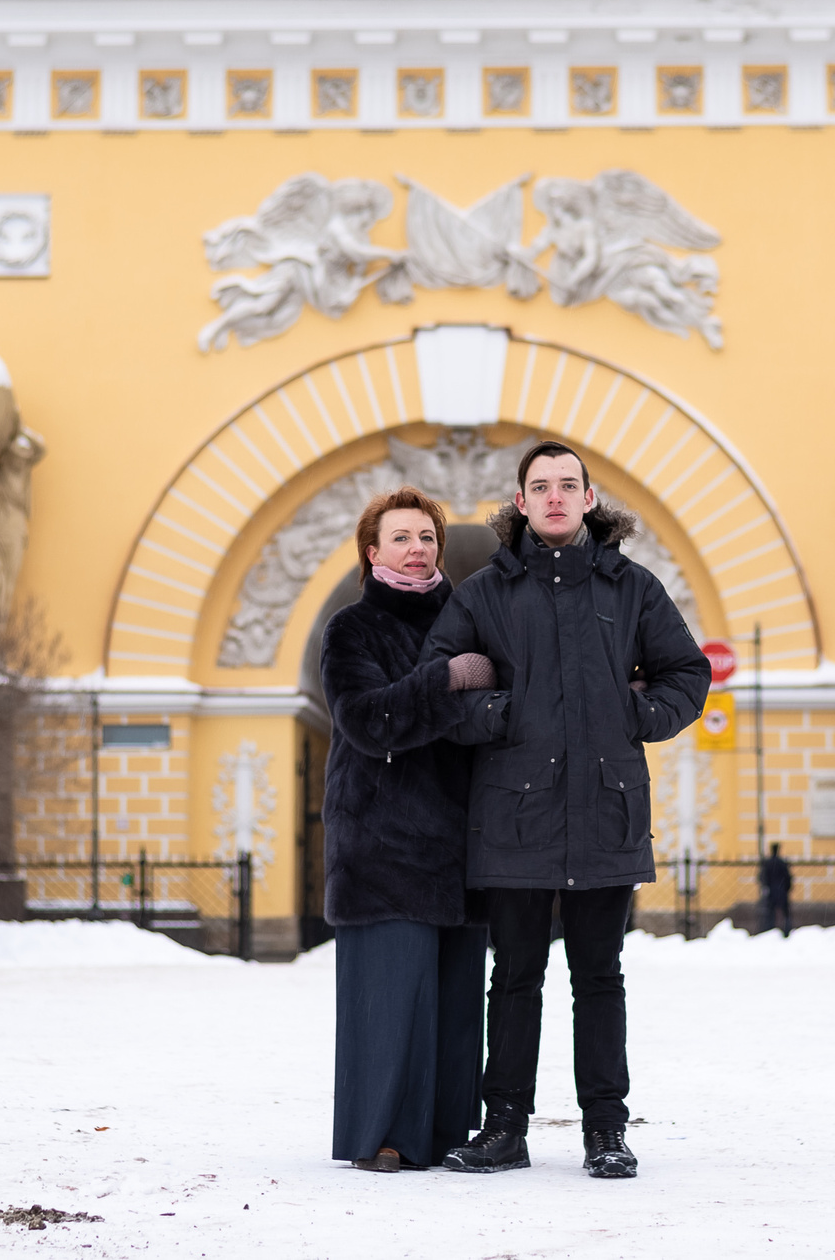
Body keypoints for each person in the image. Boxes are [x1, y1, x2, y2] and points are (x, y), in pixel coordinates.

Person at [424, 440, 709, 1181]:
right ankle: (505, 1128)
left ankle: (605, 1130)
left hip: (605, 807)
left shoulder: (632, 588)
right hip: (514, 812)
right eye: (540, 486)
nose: (554, 496)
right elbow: (438, 685)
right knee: (514, 976)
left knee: (599, 976)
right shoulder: (483, 593)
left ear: (588, 498)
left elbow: (688, 671)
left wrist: (633, 713)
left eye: (567, 485)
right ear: (520, 503)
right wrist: (502, 712)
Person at [320, 487, 509, 1173]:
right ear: (373, 552)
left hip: (460, 847)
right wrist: (447, 681)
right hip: (382, 846)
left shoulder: (468, 622)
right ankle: (385, 1134)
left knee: (457, 1006)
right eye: (401, 536)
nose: (418, 547)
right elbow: (370, 721)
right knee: (392, 998)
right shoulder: (352, 629)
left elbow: (496, 714)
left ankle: (444, 1128)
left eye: (426, 536)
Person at [758, 842, 794, 937]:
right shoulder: (782, 863)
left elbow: (762, 877)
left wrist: (765, 887)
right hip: (782, 890)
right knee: (785, 913)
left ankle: (769, 930)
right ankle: (787, 931)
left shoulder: (767, 863)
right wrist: (787, 888)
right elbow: (788, 877)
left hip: (771, 891)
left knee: (770, 913)